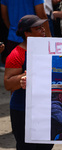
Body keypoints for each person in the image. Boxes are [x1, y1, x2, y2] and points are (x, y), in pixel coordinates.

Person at [4, 15, 53, 150]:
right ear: (27, 34)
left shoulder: (50, 49)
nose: (43, 30)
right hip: (23, 110)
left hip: (46, 110)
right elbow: (8, 83)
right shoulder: (16, 54)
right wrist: (23, 78)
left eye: (42, 27)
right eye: (38, 28)